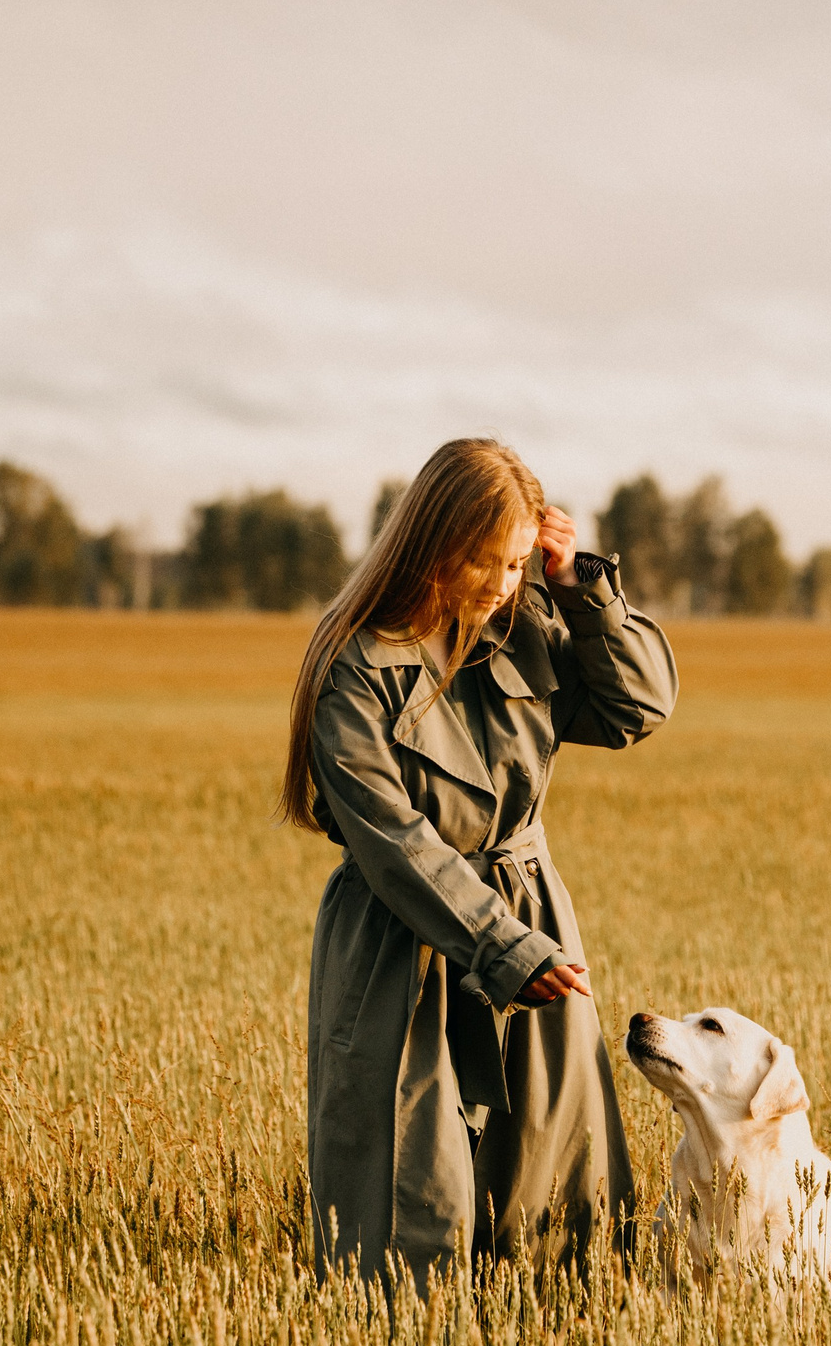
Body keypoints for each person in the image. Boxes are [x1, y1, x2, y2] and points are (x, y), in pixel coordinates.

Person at [281, 438, 677, 1292]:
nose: (501, 583)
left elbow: (638, 705)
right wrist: (503, 948)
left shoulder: (527, 626)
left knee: (554, 1203)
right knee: (406, 1209)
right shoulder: (353, 665)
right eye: (482, 560)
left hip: (533, 924)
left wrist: (583, 590)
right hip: (401, 946)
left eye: (517, 561)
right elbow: (393, 841)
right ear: (430, 542)